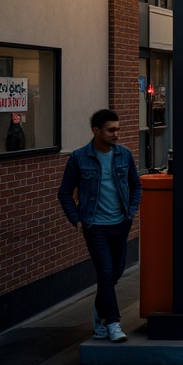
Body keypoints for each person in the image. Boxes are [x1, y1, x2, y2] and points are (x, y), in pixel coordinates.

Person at [56, 108, 141, 343]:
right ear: (96, 131)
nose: (116, 134)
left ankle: (99, 313)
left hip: (121, 224)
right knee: (104, 273)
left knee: (115, 274)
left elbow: (136, 186)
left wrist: (131, 211)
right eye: (111, 130)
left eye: (118, 129)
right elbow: (64, 193)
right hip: (96, 227)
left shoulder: (124, 155)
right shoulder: (79, 158)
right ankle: (113, 322)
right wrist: (77, 219)